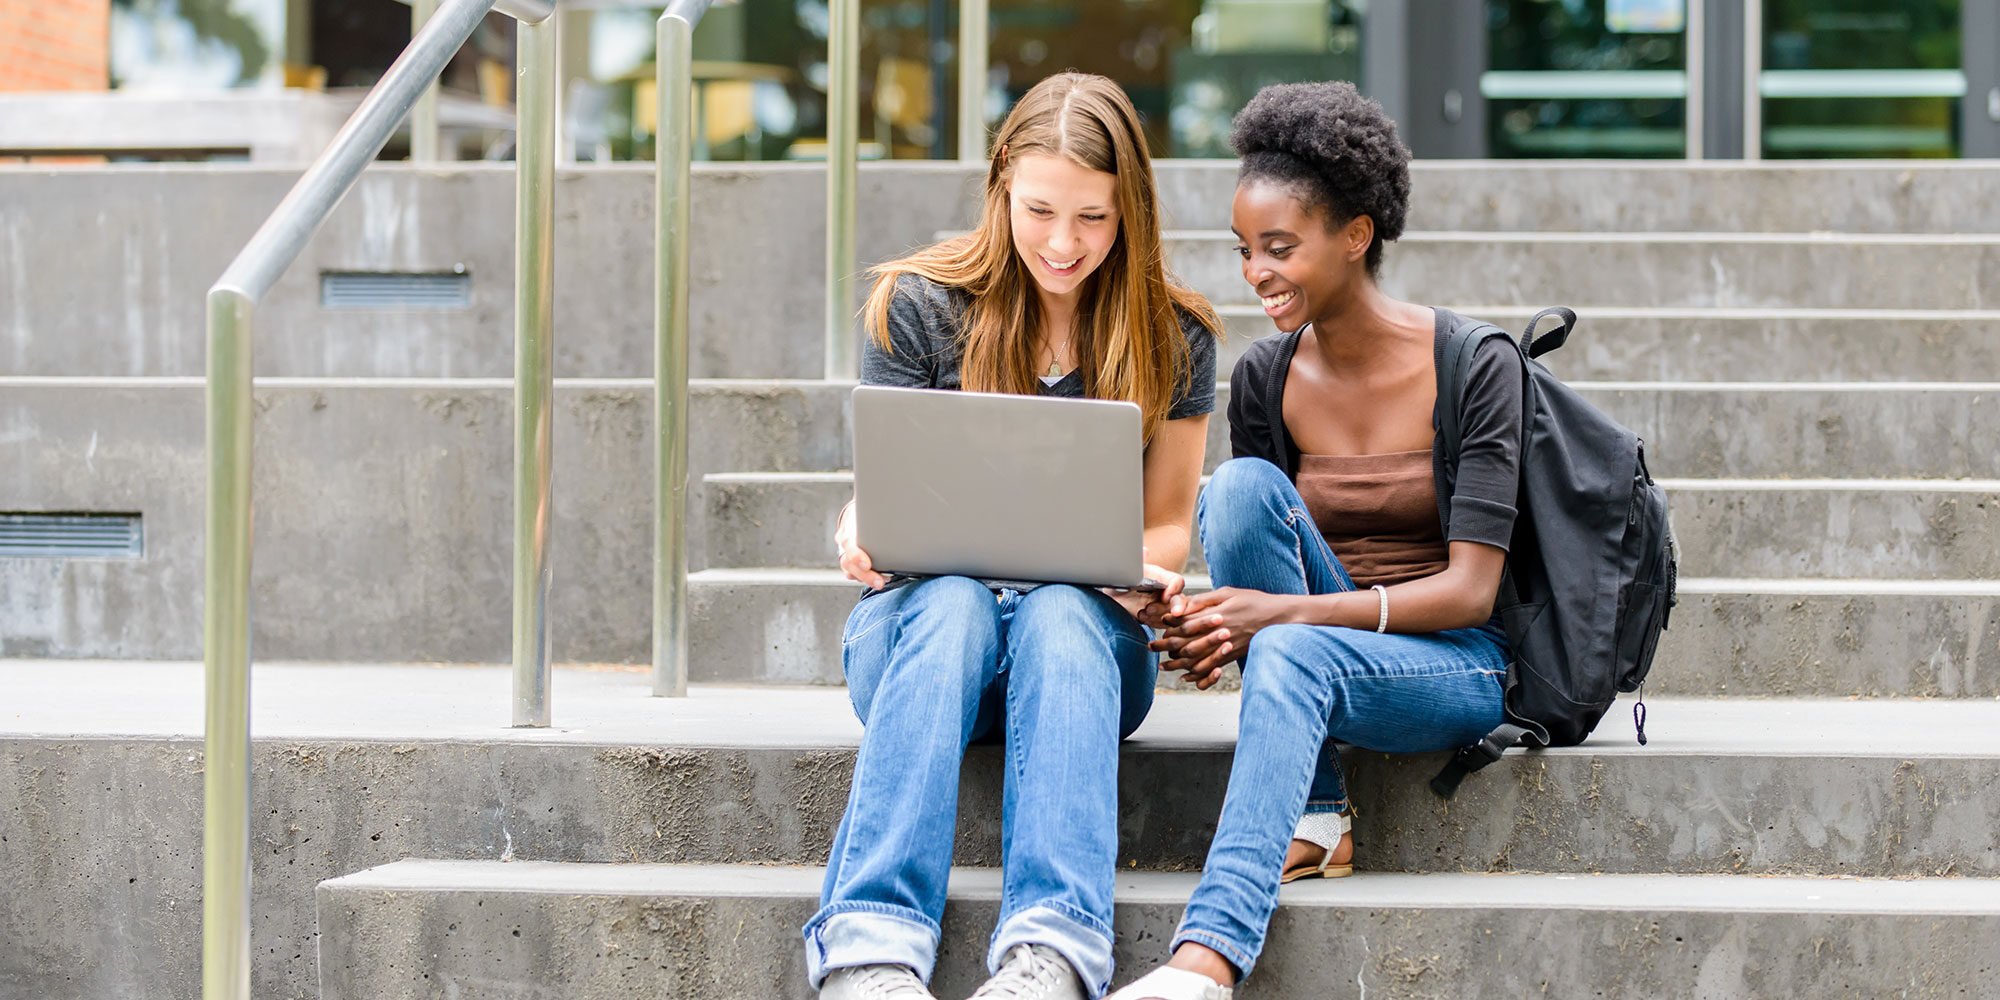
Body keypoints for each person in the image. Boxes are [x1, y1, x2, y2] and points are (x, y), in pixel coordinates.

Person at [805, 71, 1223, 1000]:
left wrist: (1138, 572)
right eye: (1039, 211)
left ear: (1132, 214)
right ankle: (871, 949)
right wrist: (861, 523)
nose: (1064, 244)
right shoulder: (916, 304)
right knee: (952, 602)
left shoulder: (1173, 332)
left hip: (1081, 656)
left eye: (1095, 219)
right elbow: (882, 494)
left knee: (1064, 614)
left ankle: (1053, 952)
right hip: (925, 643)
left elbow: (1167, 524)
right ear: (1000, 188)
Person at [1107, 81, 1524, 1000]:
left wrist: (1277, 618)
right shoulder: (1265, 375)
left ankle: (1205, 960)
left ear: (1357, 235)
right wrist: (1214, 623)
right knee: (1244, 488)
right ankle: (1321, 811)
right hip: (1322, 638)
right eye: (1245, 250)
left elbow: (1472, 594)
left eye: (1281, 248)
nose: (1256, 271)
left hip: (1454, 661)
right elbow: (1261, 554)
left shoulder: (1475, 366)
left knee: (1292, 648)